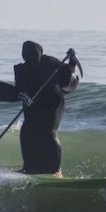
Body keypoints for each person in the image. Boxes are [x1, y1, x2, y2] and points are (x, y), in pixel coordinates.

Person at [14, 41, 77, 177]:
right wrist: (24, 96)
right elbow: (19, 89)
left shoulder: (48, 61)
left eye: (34, 53)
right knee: (26, 132)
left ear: (40, 53)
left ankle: (56, 170)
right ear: (23, 55)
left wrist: (72, 58)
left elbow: (69, 72)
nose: (30, 57)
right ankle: (29, 167)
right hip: (32, 104)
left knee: (49, 133)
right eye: (27, 54)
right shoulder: (21, 69)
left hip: (53, 103)